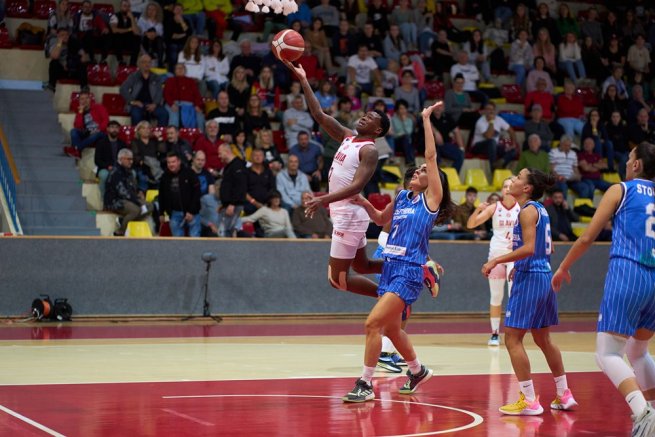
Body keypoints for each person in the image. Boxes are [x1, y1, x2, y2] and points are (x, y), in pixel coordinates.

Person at [342, 101, 452, 403]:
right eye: (416, 170)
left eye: (423, 171)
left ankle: (365, 383)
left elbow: (430, 155)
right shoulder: (403, 196)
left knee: (372, 324)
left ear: (434, 181)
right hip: (390, 268)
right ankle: (417, 370)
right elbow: (380, 220)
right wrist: (361, 201)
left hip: (408, 272)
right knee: (391, 330)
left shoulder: (431, 201)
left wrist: (426, 119)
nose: (418, 171)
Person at [552, 142, 655, 435]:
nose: (626, 161)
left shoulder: (622, 189)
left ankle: (643, 414)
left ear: (636, 165)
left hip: (629, 271)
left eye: (629, 156)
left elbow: (587, 237)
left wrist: (563, 266)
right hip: (654, 276)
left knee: (607, 353)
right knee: (638, 351)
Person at [284, 59, 390, 300]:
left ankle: (391, 299)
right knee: (362, 267)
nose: (364, 117)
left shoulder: (370, 150)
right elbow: (319, 115)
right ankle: (415, 269)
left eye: (371, 118)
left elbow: (357, 186)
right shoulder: (348, 137)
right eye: (366, 114)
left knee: (337, 280)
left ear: (377, 131)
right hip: (347, 214)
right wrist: (303, 80)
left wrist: (323, 199)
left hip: (349, 217)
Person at [482, 168, 578, 415]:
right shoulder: (541, 209)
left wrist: (497, 260)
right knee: (543, 338)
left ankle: (528, 399)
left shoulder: (526, 211)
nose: (512, 180)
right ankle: (564, 394)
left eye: (517, 178)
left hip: (531, 278)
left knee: (512, 338)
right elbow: (549, 248)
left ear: (526, 188)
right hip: (543, 274)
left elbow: (528, 247)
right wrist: (523, 265)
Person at [468, 178, 520, 346]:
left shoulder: (523, 208)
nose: (508, 189)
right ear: (501, 190)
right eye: (505, 186)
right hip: (496, 257)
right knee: (496, 296)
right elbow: (471, 224)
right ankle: (495, 333)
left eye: (511, 186)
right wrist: (477, 210)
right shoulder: (494, 207)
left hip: (515, 257)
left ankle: (513, 332)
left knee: (514, 296)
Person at [104, 148, 153, 236]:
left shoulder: (129, 172)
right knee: (136, 209)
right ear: (121, 159)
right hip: (115, 201)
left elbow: (132, 188)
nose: (131, 161)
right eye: (128, 159)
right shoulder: (115, 173)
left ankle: (124, 220)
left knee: (149, 206)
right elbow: (123, 192)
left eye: (132, 159)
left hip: (129, 199)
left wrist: (138, 193)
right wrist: (137, 201)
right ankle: (121, 231)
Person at [159, 152, 201, 237]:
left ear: (179, 162)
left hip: (192, 213)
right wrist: (161, 213)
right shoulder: (164, 177)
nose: (171, 164)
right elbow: (161, 195)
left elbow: (197, 193)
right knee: (177, 244)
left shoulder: (189, 173)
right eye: (169, 162)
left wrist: (191, 211)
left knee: (195, 240)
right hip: (174, 214)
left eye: (173, 162)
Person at [119, 55, 168, 127]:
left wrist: (155, 104)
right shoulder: (134, 76)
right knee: (136, 114)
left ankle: (160, 136)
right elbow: (123, 89)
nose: (147, 64)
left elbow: (159, 92)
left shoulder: (156, 77)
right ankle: (136, 136)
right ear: (139, 64)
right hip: (138, 104)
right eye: (144, 62)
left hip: (153, 104)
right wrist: (133, 101)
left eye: (149, 62)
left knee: (164, 114)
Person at [65, 89, 109, 159]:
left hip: (100, 132)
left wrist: (98, 129)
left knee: (94, 135)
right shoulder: (80, 111)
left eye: (87, 98)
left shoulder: (99, 107)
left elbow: (106, 121)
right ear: (79, 101)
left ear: (90, 99)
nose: (85, 100)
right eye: (82, 99)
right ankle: (77, 152)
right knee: (73, 131)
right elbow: (77, 126)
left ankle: (76, 149)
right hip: (87, 132)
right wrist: (80, 112)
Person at [164, 64, 206, 131]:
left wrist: (197, 105)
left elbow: (197, 95)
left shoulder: (191, 81)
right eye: (178, 68)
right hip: (174, 103)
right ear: (175, 71)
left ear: (185, 70)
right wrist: (171, 104)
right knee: (174, 115)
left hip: (190, 104)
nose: (180, 69)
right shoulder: (170, 80)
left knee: (200, 116)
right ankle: (173, 136)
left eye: (182, 68)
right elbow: (166, 94)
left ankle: (200, 137)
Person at [217, 144, 247, 237]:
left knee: (225, 232)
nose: (219, 156)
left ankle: (227, 251)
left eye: (220, 153)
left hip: (234, 206)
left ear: (227, 151)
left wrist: (232, 204)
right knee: (226, 231)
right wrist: (224, 204)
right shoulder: (229, 166)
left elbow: (240, 186)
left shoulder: (238, 165)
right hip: (229, 205)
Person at [190, 150, 219, 236]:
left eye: (202, 160)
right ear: (193, 160)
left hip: (204, 206)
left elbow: (211, 194)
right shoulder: (187, 173)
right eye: (198, 160)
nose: (200, 162)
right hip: (191, 206)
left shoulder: (207, 174)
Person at [95, 121, 125, 198]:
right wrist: (108, 166)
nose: (114, 130)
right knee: (104, 175)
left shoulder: (122, 144)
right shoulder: (101, 143)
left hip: (120, 168)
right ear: (107, 129)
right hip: (105, 168)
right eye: (112, 127)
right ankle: (104, 199)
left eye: (116, 128)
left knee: (133, 173)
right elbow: (97, 160)